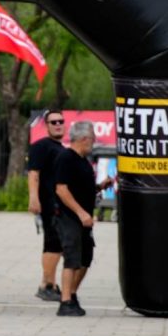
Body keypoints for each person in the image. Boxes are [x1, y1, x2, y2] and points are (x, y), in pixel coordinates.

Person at [53, 121, 112, 317]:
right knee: (72, 258)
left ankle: (72, 293)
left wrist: (100, 187)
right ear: (84, 139)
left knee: (86, 258)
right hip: (69, 217)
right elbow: (61, 190)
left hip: (84, 219)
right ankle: (65, 302)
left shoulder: (83, 161)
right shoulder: (66, 158)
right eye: (93, 139)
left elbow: (81, 188)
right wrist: (80, 212)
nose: (93, 143)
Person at [27, 110, 66, 302]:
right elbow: (33, 174)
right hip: (49, 203)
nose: (58, 124)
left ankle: (48, 282)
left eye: (61, 121)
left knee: (55, 244)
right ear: (47, 125)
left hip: (59, 203)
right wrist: (34, 198)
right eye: (54, 122)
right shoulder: (42, 146)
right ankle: (47, 284)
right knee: (53, 243)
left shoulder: (59, 147)